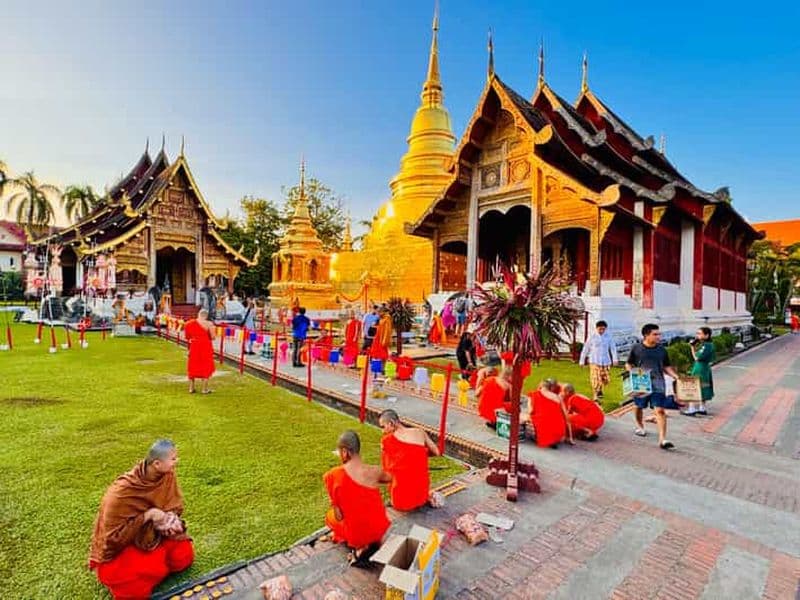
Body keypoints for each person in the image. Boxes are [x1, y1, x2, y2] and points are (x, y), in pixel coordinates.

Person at [89, 440, 193, 600]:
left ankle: (158, 562)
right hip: (126, 545)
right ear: (157, 463)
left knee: (183, 557)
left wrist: (170, 520)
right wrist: (148, 515)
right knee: (135, 588)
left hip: (154, 535)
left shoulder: (166, 474)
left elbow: (174, 505)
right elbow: (112, 539)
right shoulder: (120, 493)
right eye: (173, 459)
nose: (176, 462)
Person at [323, 431, 391, 567]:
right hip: (380, 529)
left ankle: (360, 546)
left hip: (357, 535)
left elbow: (339, 516)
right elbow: (391, 477)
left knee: (330, 517)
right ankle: (372, 541)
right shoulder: (375, 471)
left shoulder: (332, 475)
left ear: (345, 452)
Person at [626, 323, 680, 450]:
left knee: (660, 411)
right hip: (642, 383)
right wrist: (632, 373)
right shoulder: (636, 348)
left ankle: (662, 439)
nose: (658, 336)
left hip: (658, 384)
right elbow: (629, 363)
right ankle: (640, 426)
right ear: (646, 335)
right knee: (639, 406)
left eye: (659, 334)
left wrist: (676, 377)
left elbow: (666, 366)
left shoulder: (662, 350)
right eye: (655, 334)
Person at [378, 410, 440, 511]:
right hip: (422, 494)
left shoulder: (386, 441)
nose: (382, 431)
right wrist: (419, 454)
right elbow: (436, 452)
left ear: (391, 423)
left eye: (383, 427)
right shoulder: (420, 432)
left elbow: (388, 470)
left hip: (401, 501)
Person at [579, 320, 619, 402]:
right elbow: (586, 348)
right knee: (595, 378)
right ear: (596, 328)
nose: (601, 331)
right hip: (594, 360)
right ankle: (595, 395)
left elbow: (613, 348)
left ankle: (600, 389)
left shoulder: (609, 336)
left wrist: (615, 359)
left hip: (605, 361)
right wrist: (582, 360)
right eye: (600, 329)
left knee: (605, 379)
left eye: (603, 329)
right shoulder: (592, 336)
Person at [527, 379, 571, 448]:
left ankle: (540, 436)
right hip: (559, 430)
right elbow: (566, 415)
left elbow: (530, 411)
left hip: (543, 427)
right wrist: (569, 436)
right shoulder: (557, 397)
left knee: (527, 419)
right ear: (550, 388)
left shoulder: (534, 394)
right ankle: (554, 438)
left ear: (540, 386)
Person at [682, 327, 716, 416]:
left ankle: (692, 408)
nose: (698, 335)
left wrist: (692, 348)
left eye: (700, 333)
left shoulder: (707, 346)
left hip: (700, 367)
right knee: (703, 387)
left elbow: (697, 358)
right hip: (703, 368)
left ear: (707, 335)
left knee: (694, 387)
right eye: (697, 333)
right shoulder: (705, 345)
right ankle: (702, 407)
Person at [184, 308, 216, 394]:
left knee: (193, 364)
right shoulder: (209, 324)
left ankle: (191, 388)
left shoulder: (189, 323)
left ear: (198, 314)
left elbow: (187, 337)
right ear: (206, 316)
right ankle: (204, 389)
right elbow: (213, 337)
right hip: (205, 346)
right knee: (206, 365)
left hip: (194, 345)